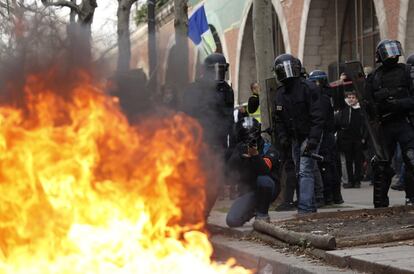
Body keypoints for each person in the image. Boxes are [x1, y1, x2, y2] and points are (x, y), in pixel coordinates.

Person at [181, 53, 235, 214]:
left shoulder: (227, 91)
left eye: (221, 70)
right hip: (198, 144)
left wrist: (230, 143)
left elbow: (229, 117)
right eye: (215, 70)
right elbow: (186, 117)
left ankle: (203, 214)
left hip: (218, 143)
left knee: (216, 183)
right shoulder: (193, 90)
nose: (219, 73)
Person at [272, 53, 325, 213]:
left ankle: (305, 208)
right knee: (300, 170)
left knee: (305, 170)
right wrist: (282, 137)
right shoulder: (280, 94)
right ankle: (312, 202)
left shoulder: (308, 88)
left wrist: (313, 139)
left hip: (309, 135)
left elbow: (318, 115)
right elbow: (278, 119)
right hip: (295, 138)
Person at [365, 39, 414, 207]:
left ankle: (411, 199)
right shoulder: (374, 77)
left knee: (411, 159)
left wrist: (398, 103)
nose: (391, 54)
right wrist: (379, 104)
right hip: (384, 125)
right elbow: (368, 104)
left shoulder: (407, 71)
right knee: (381, 166)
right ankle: (380, 205)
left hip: (404, 121)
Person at [226, 117, 280, 227]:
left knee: (263, 179)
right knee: (232, 221)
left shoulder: (268, 149)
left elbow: (264, 170)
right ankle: (251, 210)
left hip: (268, 189)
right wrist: (238, 155)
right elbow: (228, 173)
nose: (249, 142)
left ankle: (262, 215)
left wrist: (255, 156)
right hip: (249, 192)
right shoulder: (239, 149)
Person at [309, 70, 344, 204]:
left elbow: (321, 119)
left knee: (326, 165)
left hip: (324, 135)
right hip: (328, 135)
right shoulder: (327, 95)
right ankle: (335, 196)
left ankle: (328, 196)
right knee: (331, 165)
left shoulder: (322, 98)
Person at [336, 92, 366, 189]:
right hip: (346, 139)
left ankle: (357, 180)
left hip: (358, 138)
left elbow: (365, 126)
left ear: (357, 99)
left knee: (357, 161)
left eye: (353, 97)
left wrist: (364, 138)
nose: (351, 99)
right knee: (348, 161)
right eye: (349, 97)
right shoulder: (345, 108)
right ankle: (350, 180)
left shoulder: (360, 110)